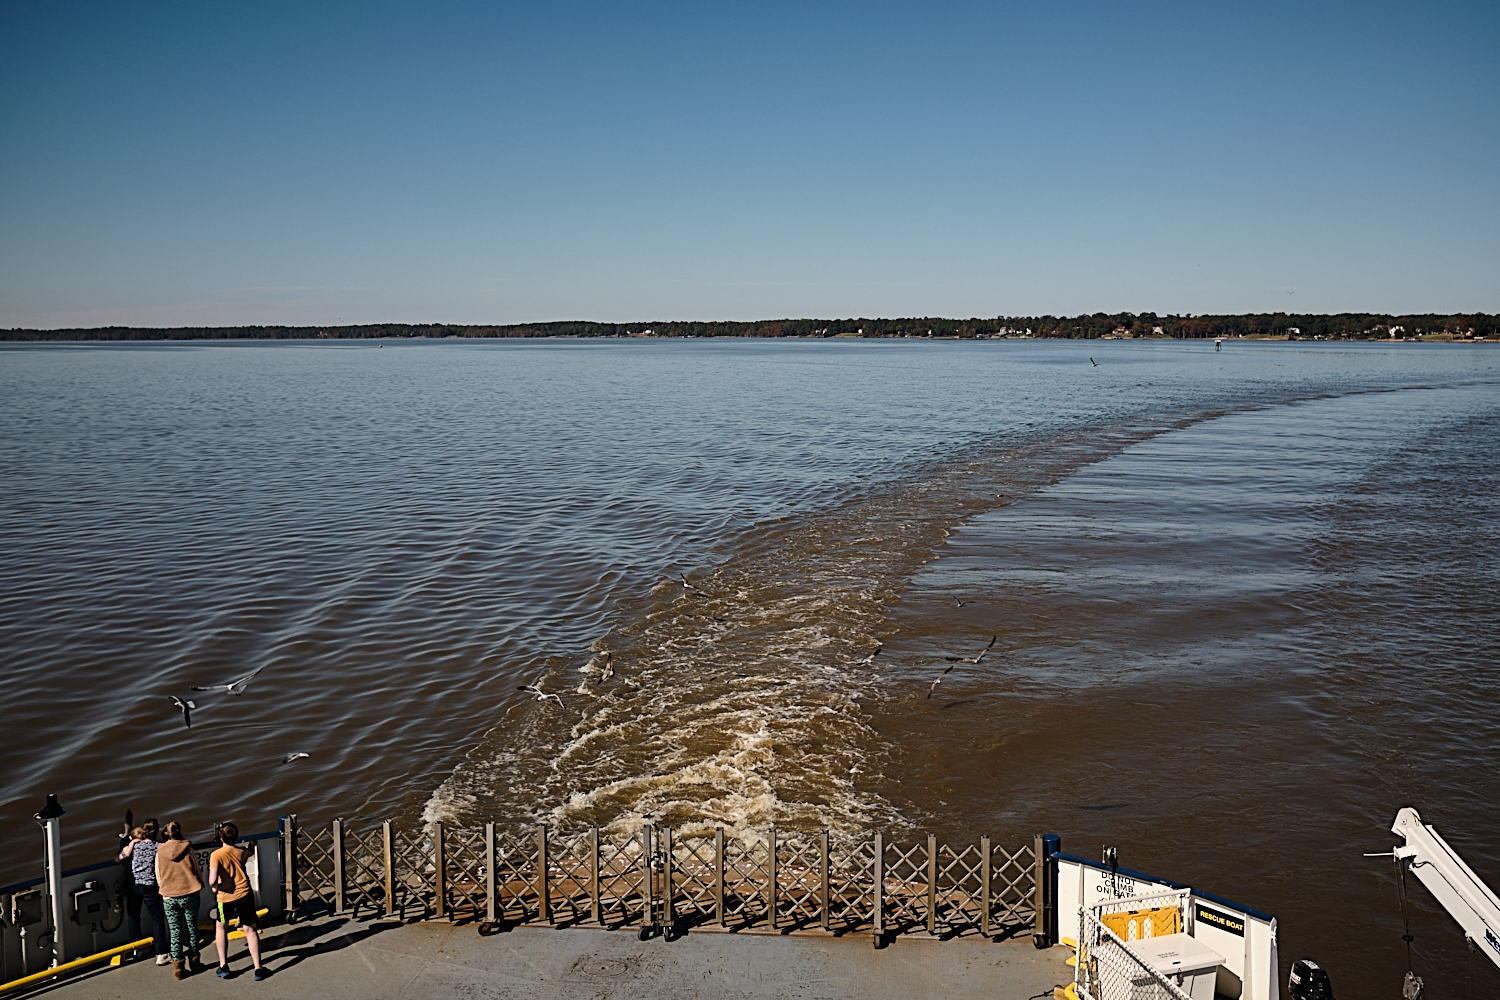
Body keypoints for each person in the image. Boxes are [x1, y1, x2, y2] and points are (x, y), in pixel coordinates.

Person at [208, 821, 268, 981]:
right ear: (236, 837)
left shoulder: (216, 855)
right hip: (244, 894)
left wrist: (215, 887)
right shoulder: (241, 852)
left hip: (225, 897)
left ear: (221, 838)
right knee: (250, 929)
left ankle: (223, 965)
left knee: (221, 928)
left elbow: (212, 879)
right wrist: (252, 846)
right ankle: (258, 968)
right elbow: (249, 852)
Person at [154, 821, 204, 979]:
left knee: (175, 932)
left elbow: (158, 875)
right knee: (191, 929)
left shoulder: (159, 851)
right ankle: (195, 962)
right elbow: (197, 869)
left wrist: (165, 891)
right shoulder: (187, 848)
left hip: (169, 896)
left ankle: (178, 968)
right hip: (190, 894)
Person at [116, 819, 169, 964]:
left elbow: (119, 858)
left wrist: (131, 842)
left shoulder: (135, 845)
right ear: (157, 831)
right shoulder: (160, 847)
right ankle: (161, 953)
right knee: (157, 919)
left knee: (133, 917)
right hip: (150, 886)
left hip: (133, 886)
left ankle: (137, 949)